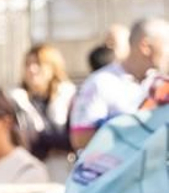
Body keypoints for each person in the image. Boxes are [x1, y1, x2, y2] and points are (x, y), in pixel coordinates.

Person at [71, 18, 169, 151]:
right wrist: (129, 126)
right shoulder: (100, 82)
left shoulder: (162, 84)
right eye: (166, 45)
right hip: (114, 169)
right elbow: (80, 138)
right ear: (145, 47)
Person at [10, 43, 75, 182]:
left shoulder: (69, 96)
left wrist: (39, 138)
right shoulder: (16, 100)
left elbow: (73, 139)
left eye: (38, 64)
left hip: (63, 171)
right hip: (28, 173)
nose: (32, 69)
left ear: (53, 67)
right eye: (27, 64)